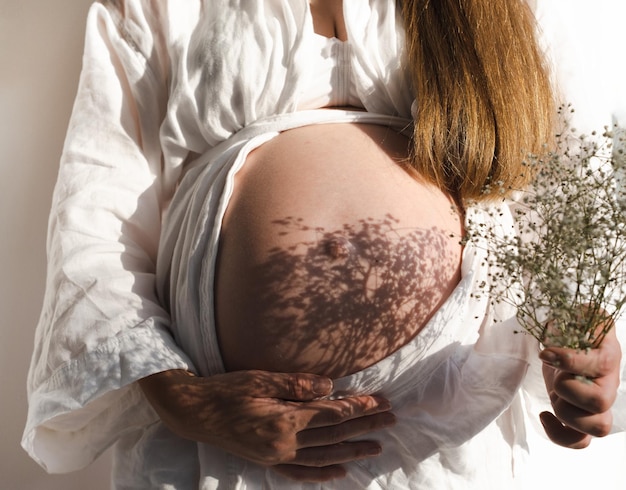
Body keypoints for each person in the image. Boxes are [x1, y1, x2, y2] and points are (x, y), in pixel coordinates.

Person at [22, 0, 625, 488]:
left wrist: (584, 365)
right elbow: (96, 221)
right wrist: (184, 402)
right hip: (223, 449)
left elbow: (564, 195)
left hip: (441, 442)